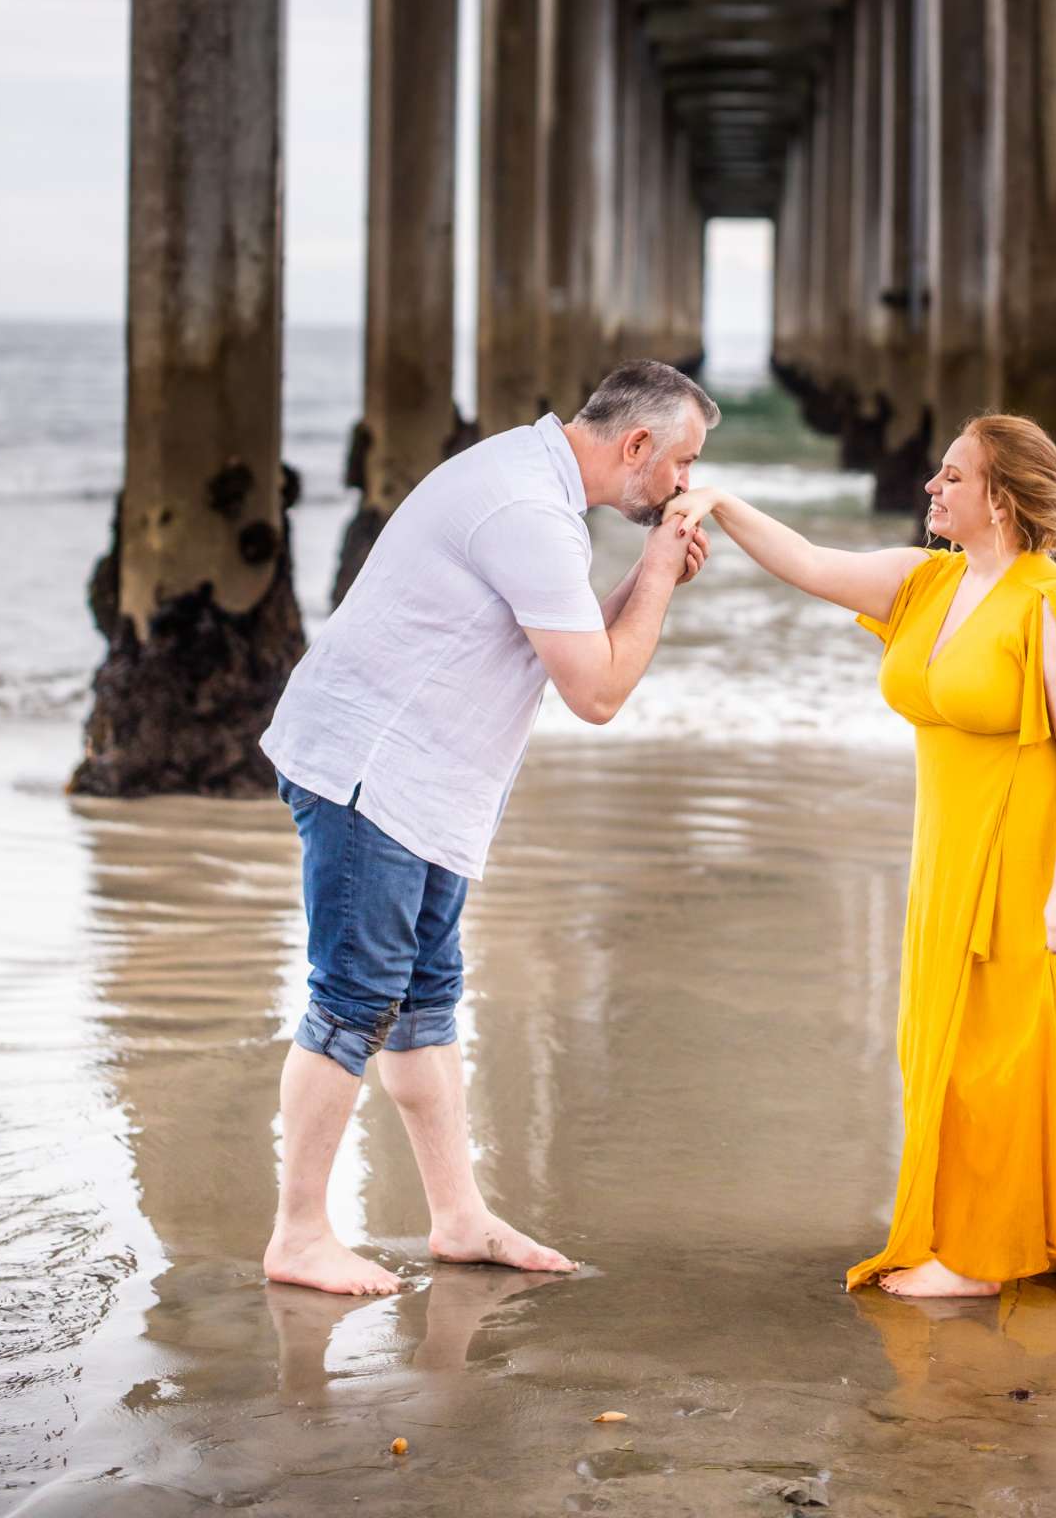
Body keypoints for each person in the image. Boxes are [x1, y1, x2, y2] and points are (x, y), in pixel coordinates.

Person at [260, 359, 719, 1297]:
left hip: (425, 786)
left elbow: (567, 636)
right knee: (353, 1001)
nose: (682, 485)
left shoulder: (530, 483)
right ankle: (298, 1234)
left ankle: (458, 1218)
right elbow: (595, 692)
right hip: (370, 776)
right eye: (681, 464)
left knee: (425, 999)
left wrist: (643, 576)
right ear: (636, 446)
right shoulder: (527, 511)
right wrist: (662, 578)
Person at [667, 412, 1056, 1298]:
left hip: (1040, 850)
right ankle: (1003, 1232)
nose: (932, 486)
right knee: (939, 1039)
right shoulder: (923, 582)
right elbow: (809, 563)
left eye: (953, 476)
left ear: (1001, 499)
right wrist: (724, 504)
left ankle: (979, 1256)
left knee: (1003, 1047)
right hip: (950, 846)